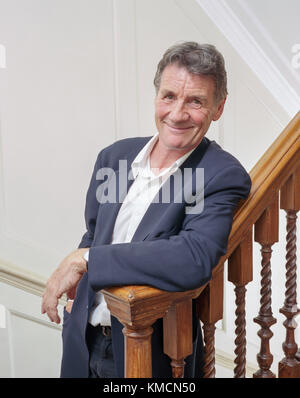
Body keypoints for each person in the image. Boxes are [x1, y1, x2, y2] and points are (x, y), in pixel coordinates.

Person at [41, 41, 251, 378]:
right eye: (169, 96)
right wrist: (76, 294)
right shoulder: (115, 158)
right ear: (156, 96)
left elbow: (192, 257)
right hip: (83, 339)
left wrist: (86, 259)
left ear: (218, 108)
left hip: (152, 355)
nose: (178, 113)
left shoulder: (220, 175)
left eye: (195, 101)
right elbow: (94, 234)